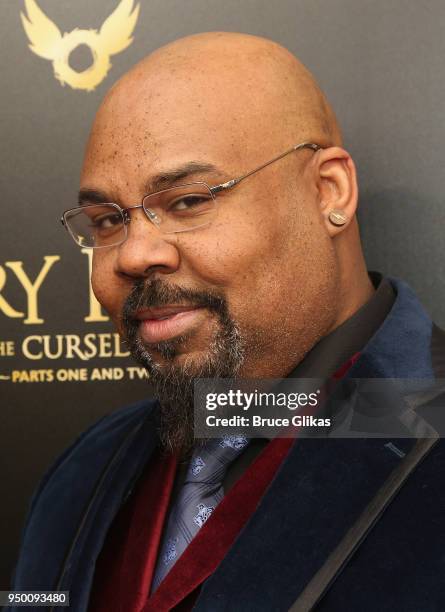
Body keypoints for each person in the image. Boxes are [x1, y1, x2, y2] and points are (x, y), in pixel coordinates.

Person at [9, 32, 445, 611]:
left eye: (188, 201)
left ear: (329, 191)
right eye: (109, 220)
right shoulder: (87, 464)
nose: (135, 255)